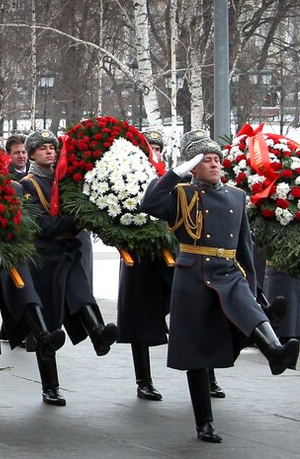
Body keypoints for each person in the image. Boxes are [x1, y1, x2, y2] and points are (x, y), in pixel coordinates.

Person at [141, 130, 299, 444]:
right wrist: (176, 173)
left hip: (228, 270)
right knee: (197, 351)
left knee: (248, 308)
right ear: (193, 167)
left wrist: (254, 287)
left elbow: (244, 246)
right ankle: (204, 423)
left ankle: (275, 353)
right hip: (194, 275)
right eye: (205, 161)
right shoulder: (181, 194)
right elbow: (150, 204)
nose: (213, 165)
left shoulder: (237, 196)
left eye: (216, 159)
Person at [20, 130, 119, 407]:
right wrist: (74, 220)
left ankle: (98, 333)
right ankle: (50, 386)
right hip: (44, 259)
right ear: (31, 155)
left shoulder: (65, 179)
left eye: (52, 147)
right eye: (42, 148)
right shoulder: (27, 185)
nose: (50, 151)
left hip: (68, 252)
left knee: (81, 295)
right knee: (48, 325)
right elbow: (40, 225)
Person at [0, 180, 66, 409]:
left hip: (10, 255)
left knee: (30, 301)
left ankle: (51, 384)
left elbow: (25, 223)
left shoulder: (15, 188)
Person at [115, 129, 174, 402]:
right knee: (139, 318)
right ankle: (144, 380)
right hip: (138, 256)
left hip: (171, 255)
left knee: (192, 311)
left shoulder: (169, 179)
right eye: (149, 147)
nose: (154, 152)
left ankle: (207, 375)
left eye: (157, 148)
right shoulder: (121, 180)